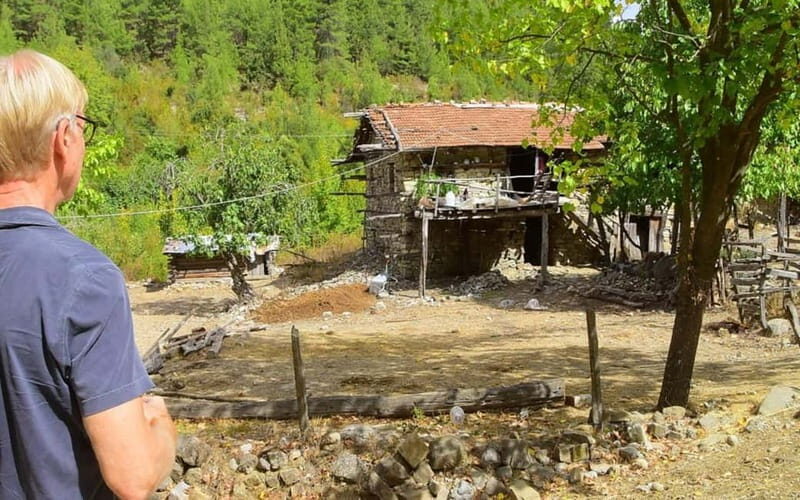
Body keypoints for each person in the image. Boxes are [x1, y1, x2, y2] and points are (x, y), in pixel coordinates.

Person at [0, 49, 176, 498]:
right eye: (83, 126)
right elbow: (132, 476)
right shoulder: (82, 279)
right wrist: (159, 423)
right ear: (64, 138)